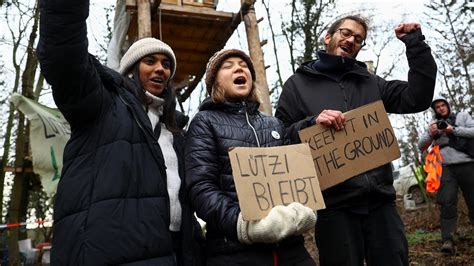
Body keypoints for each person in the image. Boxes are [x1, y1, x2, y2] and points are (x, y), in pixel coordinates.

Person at [37, 0, 203, 265]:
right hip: (108, 251)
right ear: (130, 69)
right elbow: (65, 58)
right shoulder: (102, 105)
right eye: (150, 61)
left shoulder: (177, 131)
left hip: (171, 251)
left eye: (166, 64)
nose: (160, 68)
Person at [275, 15, 437, 265]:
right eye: (346, 33)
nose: (351, 40)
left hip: (381, 204)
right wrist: (311, 123)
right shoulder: (296, 86)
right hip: (334, 209)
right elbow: (282, 136)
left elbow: (418, 98)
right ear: (328, 37)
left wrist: (415, 45)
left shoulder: (370, 81)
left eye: (358, 39)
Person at [185, 49, 317, 266]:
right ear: (214, 83)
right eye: (228, 66)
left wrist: (303, 211)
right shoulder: (204, 122)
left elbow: (294, 180)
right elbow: (201, 187)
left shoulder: (274, 124)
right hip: (233, 251)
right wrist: (243, 225)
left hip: (290, 250)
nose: (239, 68)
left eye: (244, 65)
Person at [418, 96, 474, 254]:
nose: (441, 108)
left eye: (443, 105)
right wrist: (430, 133)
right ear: (435, 110)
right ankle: (447, 240)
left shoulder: (462, 116)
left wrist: (453, 130)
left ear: (447, 105)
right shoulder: (433, 125)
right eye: (438, 107)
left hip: (468, 164)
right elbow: (421, 145)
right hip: (445, 169)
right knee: (447, 203)